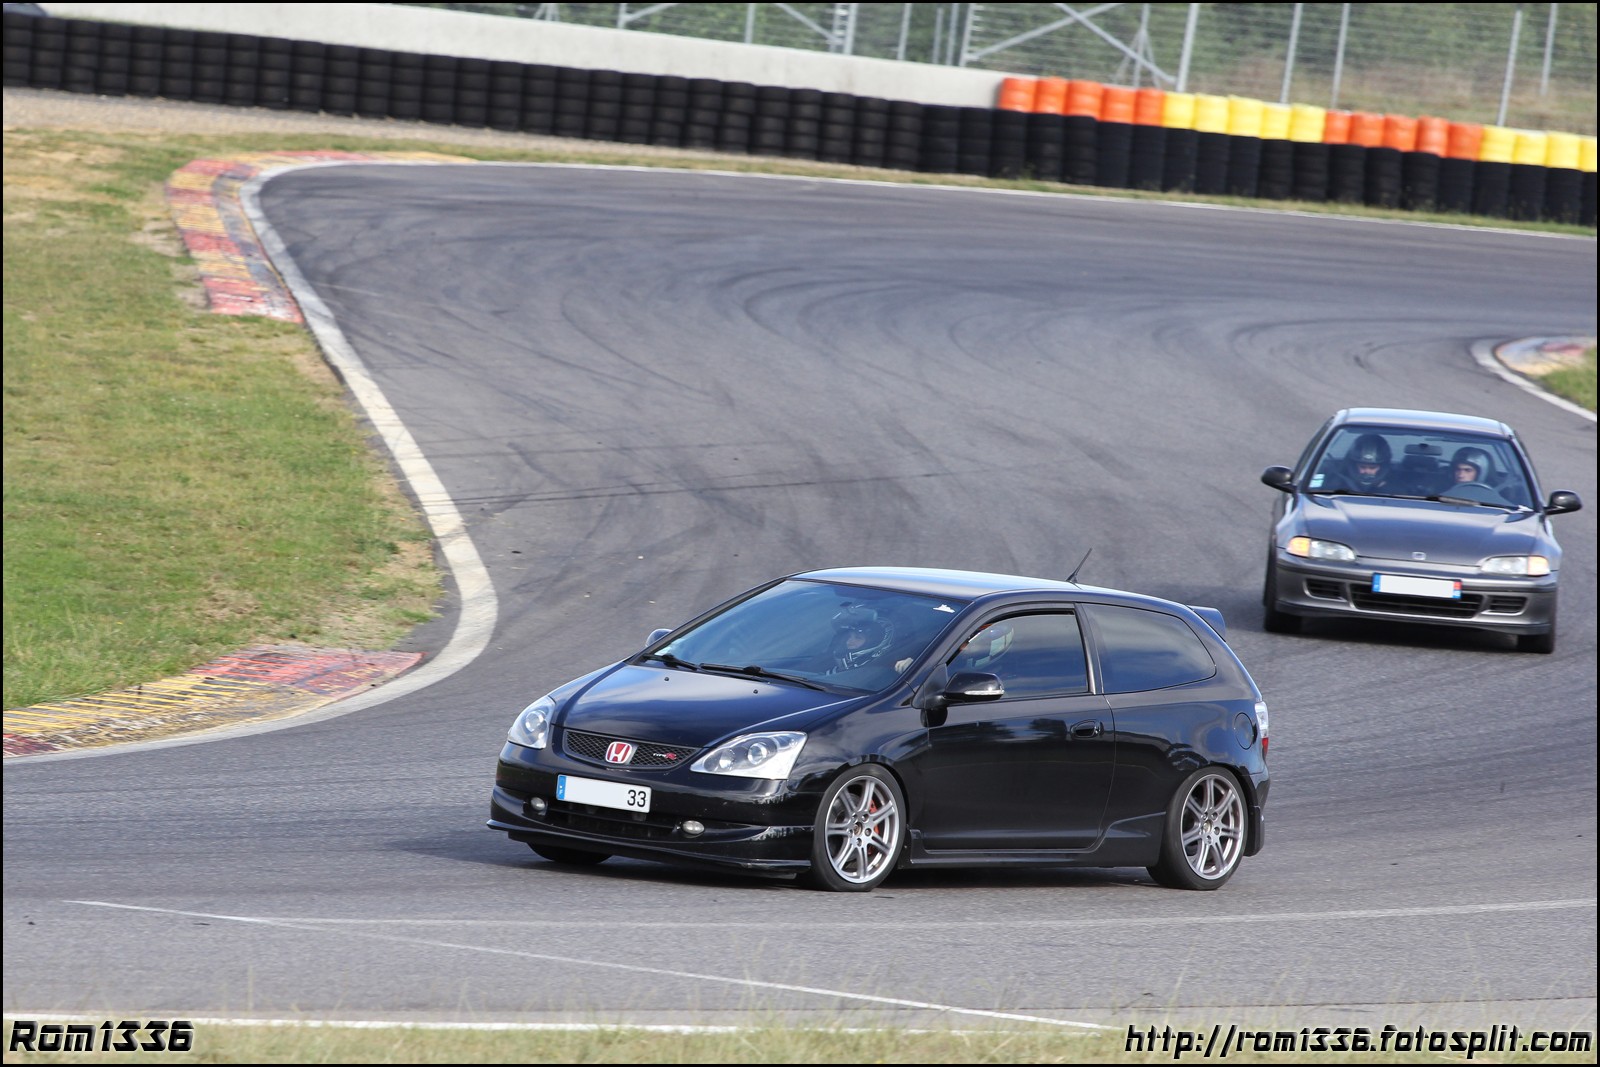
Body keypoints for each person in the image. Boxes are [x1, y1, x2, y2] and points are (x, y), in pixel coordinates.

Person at [827, 605, 897, 673]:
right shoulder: (838, 668)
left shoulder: (874, 673)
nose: (848, 642)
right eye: (848, 636)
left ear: (874, 642)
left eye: (858, 638)